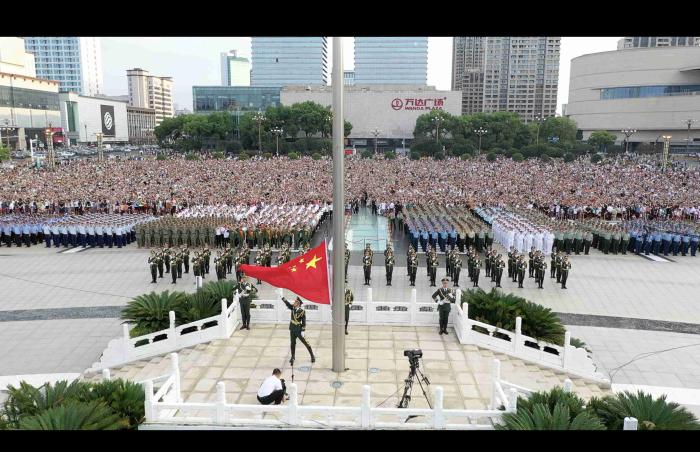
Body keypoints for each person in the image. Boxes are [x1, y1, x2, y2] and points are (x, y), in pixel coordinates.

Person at [281, 296, 315, 365]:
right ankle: (293, 357)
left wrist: (303, 330)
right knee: (292, 343)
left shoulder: (302, 311)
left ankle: (312, 356)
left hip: (299, 330)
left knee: (306, 343)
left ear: (298, 304)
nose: (294, 302)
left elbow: (304, 321)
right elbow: (287, 303)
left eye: (295, 302)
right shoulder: (293, 308)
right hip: (292, 329)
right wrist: (282, 297)